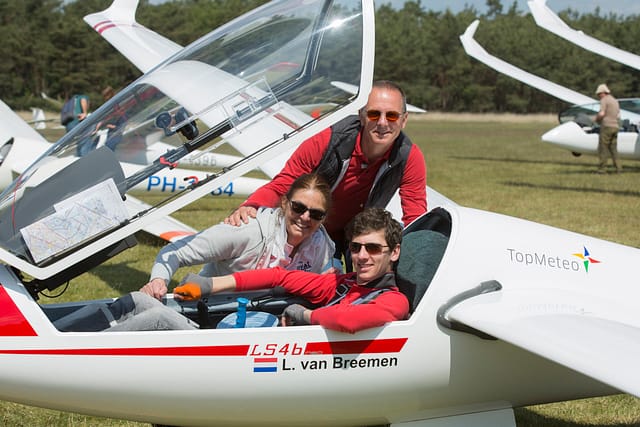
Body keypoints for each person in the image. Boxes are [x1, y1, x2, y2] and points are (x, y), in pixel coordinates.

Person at [54, 173, 337, 332]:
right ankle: (67, 346)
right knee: (149, 310)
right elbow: (174, 252)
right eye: (298, 208)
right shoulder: (246, 231)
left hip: (265, 325)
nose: (305, 218)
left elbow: (325, 289)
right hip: (213, 318)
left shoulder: (322, 246)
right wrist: (158, 280)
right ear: (284, 204)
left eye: (316, 213)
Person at [224, 80, 427, 265]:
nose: (383, 123)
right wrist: (251, 206)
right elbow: (285, 183)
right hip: (312, 228)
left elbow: (415, 214)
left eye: (391, 116)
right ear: (362, 116)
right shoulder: (328, 139)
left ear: (404, 120)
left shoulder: (409, 156)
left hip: (360, 235)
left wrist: (420, 255)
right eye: (374, 114)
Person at [176, 208, 408, 334]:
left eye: (374, 248)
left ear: (394, 253)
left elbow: (347, 320)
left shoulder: (394, 301)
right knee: (151, 311)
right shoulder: (342, 283)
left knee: (157, 320)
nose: (362, 256)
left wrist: (304, 315)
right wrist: (210, 285)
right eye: (356, 248)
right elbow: (279, 276)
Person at [594, 83, 621, 174]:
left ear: (602, 93)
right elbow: (618, 115)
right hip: (615, 126)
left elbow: (602, 113)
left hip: (607, 126)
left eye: (598, 94)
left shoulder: (604, 100)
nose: (598, 96)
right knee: (613, 149)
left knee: (603, 148)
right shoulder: (615, 100)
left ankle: (602, 169)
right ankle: (619, 168)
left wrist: (596, 120)